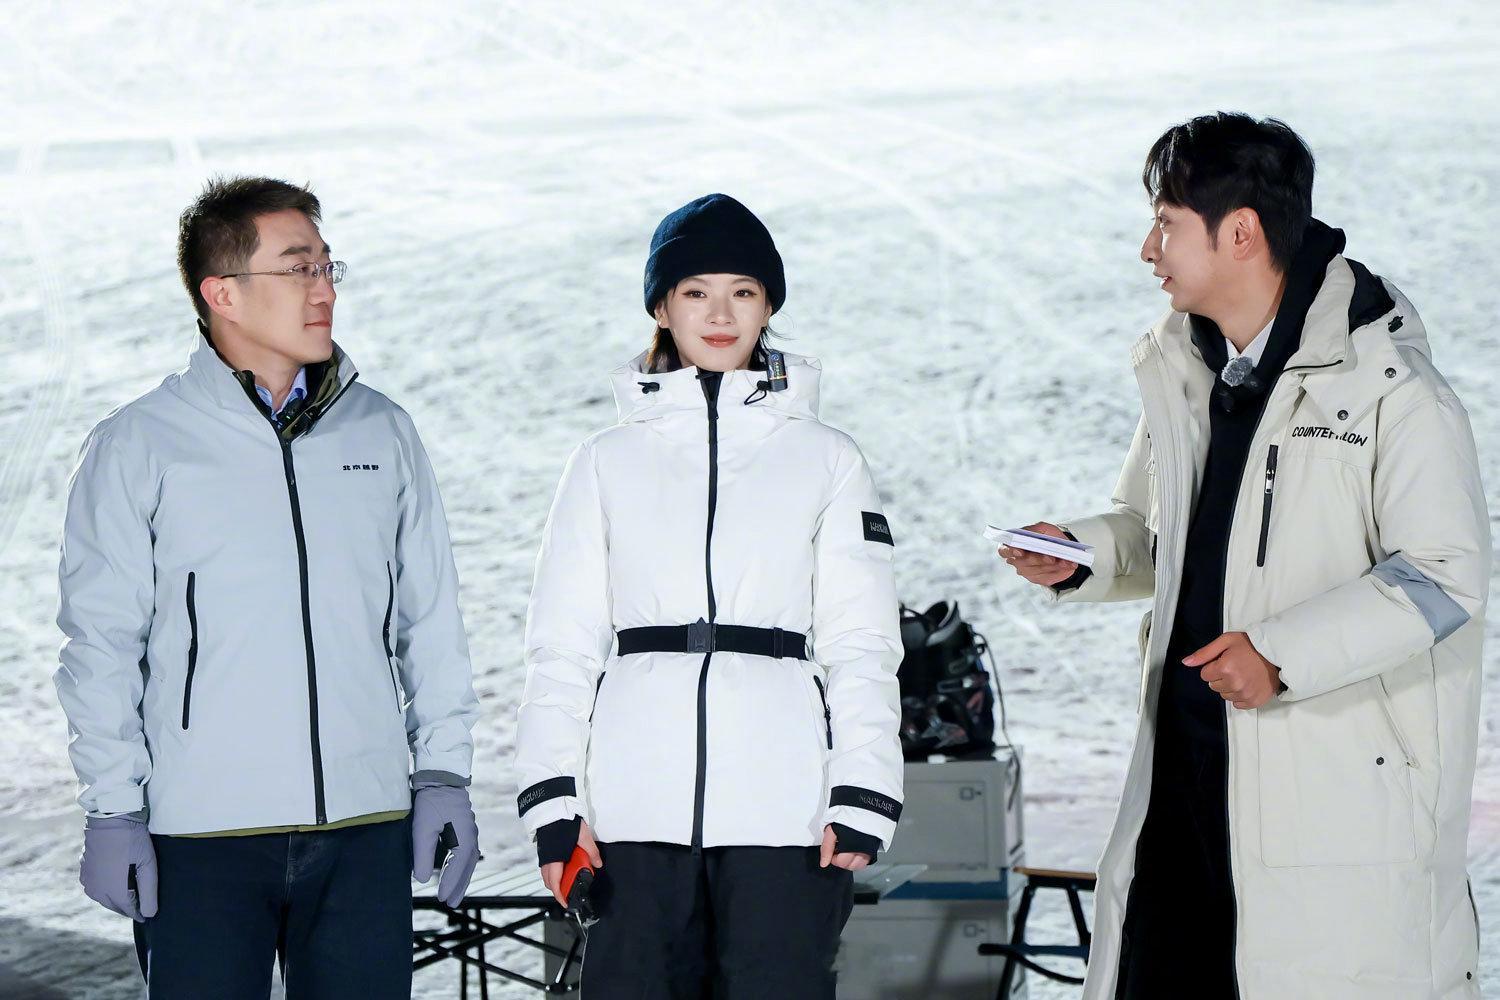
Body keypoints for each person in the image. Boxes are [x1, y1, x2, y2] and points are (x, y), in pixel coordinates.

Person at [1002, 113, 1489, 999]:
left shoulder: (1393, 391)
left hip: (1323, 791)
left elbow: (1442, 579)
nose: (1149, 250)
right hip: (1185, 783)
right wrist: (1085, 554)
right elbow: (1158, 532)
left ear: (1240, 233)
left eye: (1166, 224)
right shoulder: (1189, 372)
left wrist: (1280, 656)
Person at [55, 176, 482, 999]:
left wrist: (442, 775)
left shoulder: (383, 432)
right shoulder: (140, 445)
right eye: (298, 269)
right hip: (201, 837)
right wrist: (113, 810)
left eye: (327, 267)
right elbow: (101, 645)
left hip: (365, 828)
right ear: (222, 293)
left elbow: (429, 621)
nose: (324, 291)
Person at [514, 193, 904, 997]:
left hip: (788, 811)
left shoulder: (828, 458)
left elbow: (861, 642)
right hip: (631, 811)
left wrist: (863, 790)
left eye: (743, 292)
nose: (720, 315)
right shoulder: (605, 461)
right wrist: (554, 802)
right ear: (662, 306)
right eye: (696, 292)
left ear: (769, 306)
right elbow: (561, 647)